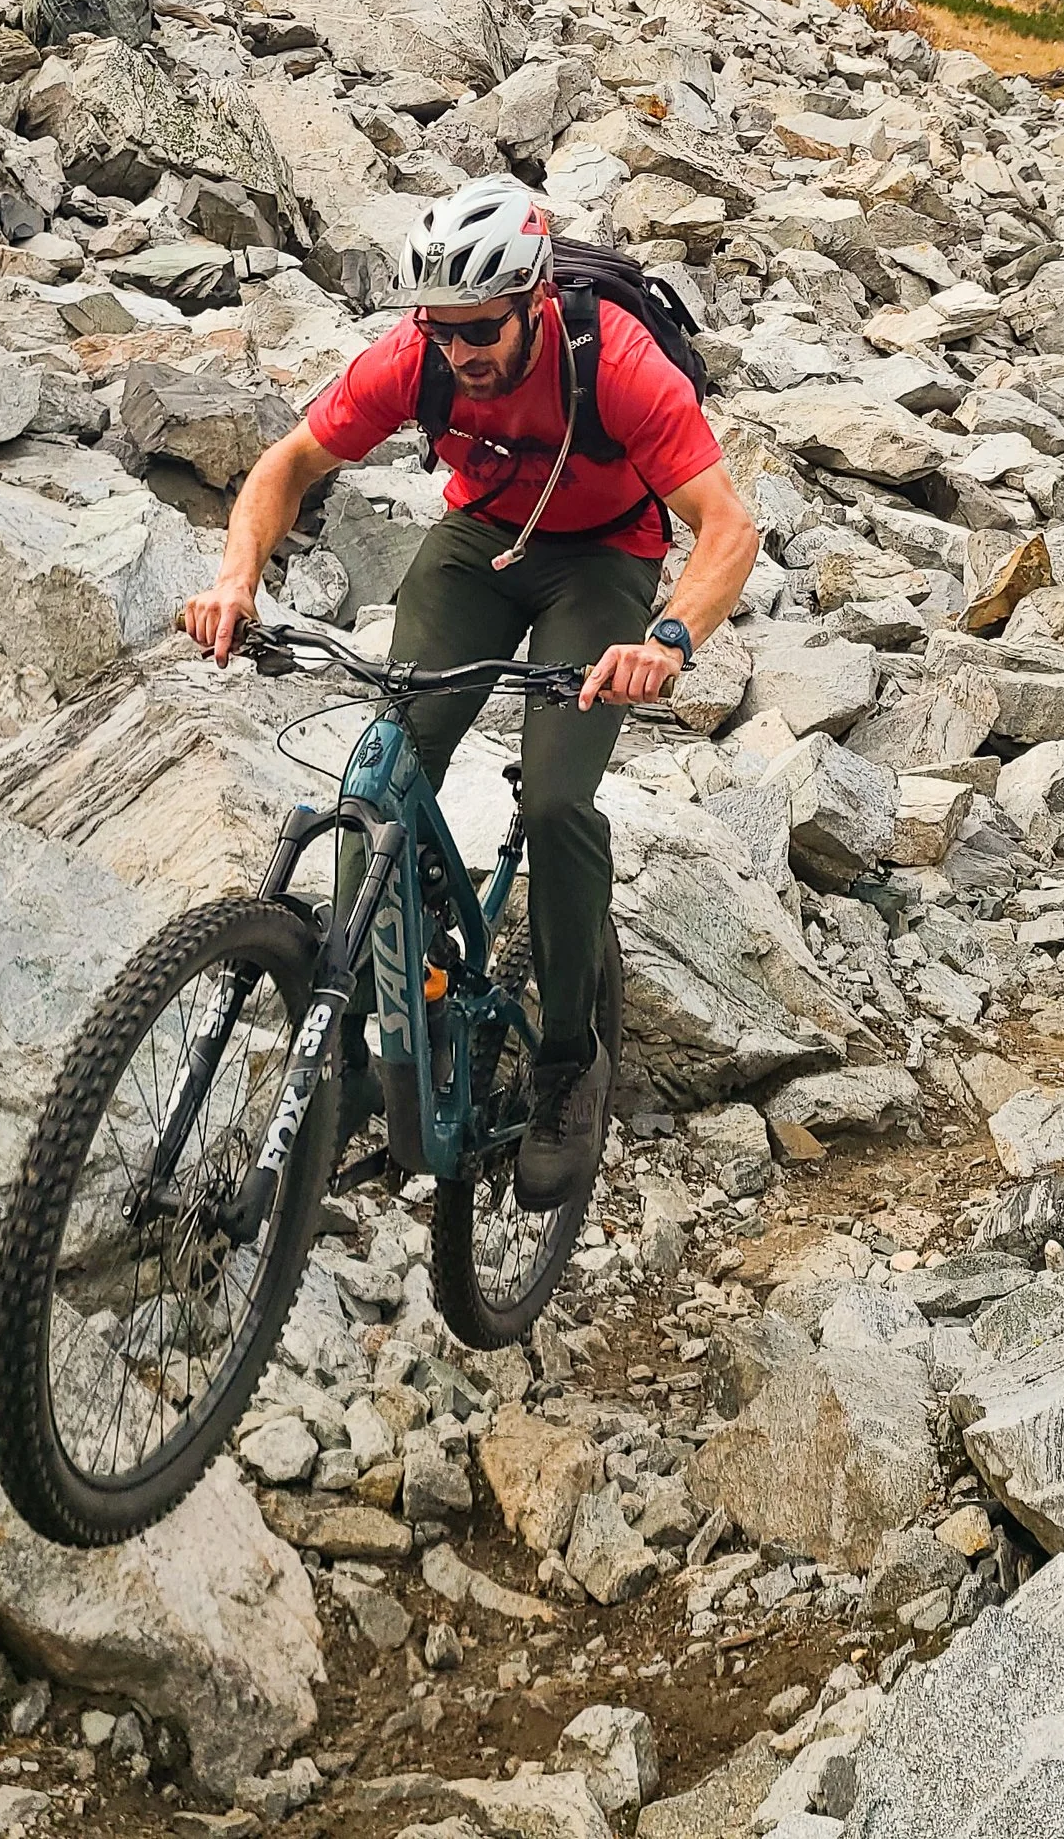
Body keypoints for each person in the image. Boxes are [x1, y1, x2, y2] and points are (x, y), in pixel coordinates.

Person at [182, 176, 759, 1208]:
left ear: (533, 300)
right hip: (479, 544)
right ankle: (366, 1033)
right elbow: (287, 466)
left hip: (603, 560)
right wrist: (238, 578)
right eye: (440, 332)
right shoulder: (419, 360)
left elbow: (726, 528)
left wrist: (666, 638)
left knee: (552, 799)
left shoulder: (615, 365)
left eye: (481, 331)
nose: (460, 355)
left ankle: (566, 1066)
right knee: (379, 771)